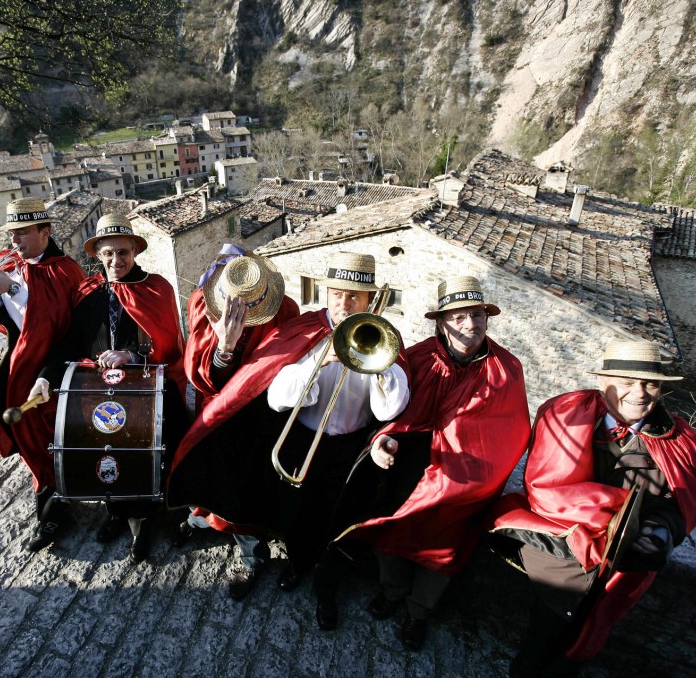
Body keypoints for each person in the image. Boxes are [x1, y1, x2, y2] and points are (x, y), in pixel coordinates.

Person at [168, 251, 410, 628]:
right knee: (296, 512)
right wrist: (318, 362)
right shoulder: (304, 328)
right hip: (301, 440)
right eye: (338, 294)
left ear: (370, 300)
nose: (345, 304)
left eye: (355, 297)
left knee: (337, 521)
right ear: (327, 293)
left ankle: (326, 591)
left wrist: (381, 368)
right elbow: (277, 398)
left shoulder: (385, 341)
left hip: (350, 449)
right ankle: (297, 566)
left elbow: (390, 410)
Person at [329, 277, 530, 650]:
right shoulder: (417, 356)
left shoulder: (507, 369)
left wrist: (467, 476)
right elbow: (392, 412)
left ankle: (418, 612)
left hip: (465, 484)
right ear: (441, 322)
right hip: (410, 470)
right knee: (390, 532)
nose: (470, 324)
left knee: (444, 549)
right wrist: (382, 441)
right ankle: (392, 592)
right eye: (459, 316)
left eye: (477, 314)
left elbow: (508, 434)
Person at [489, 341, 696, 676]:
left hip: (624, 566)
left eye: (650, 384)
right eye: (627, 382)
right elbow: (548, 489)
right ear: (604, 381)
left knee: (585, 639)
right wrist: (620, 509)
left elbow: (681, 501)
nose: (640, 393)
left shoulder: (677, 439)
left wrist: (662, 530)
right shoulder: (567, 418)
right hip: (563, 557)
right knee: (543, 633)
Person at [30, 213, 188, 562]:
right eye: (108, 254)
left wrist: (131, 354)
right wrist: (46, 376)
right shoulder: (87, 291)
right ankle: (116, 514)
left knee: (150, 453)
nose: (116, 261)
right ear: (97, 254)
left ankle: (144, 523)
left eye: (123, 253)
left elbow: (168, 344)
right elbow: (69, 343)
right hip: (101, 392)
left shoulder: (156, 287)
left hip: (150, 389)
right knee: (104, 451)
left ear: (135, 252)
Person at [0, 197, 85, 553]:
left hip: (59, 365)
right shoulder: (12, 265)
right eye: (13, 234)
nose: (16, 241)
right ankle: (50, 506)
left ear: (45, 233)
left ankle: (55, 508)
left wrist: (12, 288)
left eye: (24, 233)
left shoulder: (65, 269)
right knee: (31, 441)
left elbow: (54, 320)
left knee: (53, 439)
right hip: (21, 369)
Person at [178, 246, 300, 600]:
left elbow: (291, 363)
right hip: (215, 406)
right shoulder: (204, 303)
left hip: (261, 413)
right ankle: (201, 519)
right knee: (204, 468)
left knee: (244, 485)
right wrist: (225, 345)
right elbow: (203, 375)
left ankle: (252, 554)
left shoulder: (284, 309)